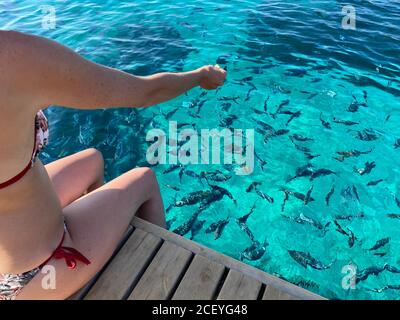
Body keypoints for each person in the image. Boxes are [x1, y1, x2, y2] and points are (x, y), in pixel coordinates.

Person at [0, 30, 226, 300]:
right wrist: (201, 76)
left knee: (93, 159)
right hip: (32, 271)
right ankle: (160, 281)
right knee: (144, 179)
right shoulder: (12, 56)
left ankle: (100, 240)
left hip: (15, 232)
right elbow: (145, 92)